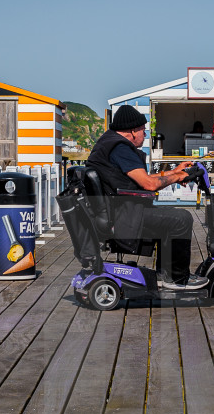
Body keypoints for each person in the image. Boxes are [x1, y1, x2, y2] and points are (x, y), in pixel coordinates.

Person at [86, 105, 207, 290]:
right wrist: (177, 177)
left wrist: (174, 172)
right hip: (123, 216)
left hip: (119, 211)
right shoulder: (121, 148)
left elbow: (145, 179)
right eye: (144, 130)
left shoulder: (110, 143)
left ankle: (163, 275)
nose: (145, 135)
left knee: (168, 217)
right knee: (182, 219)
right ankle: (177, 278)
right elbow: (149, 185)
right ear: (133, 131)